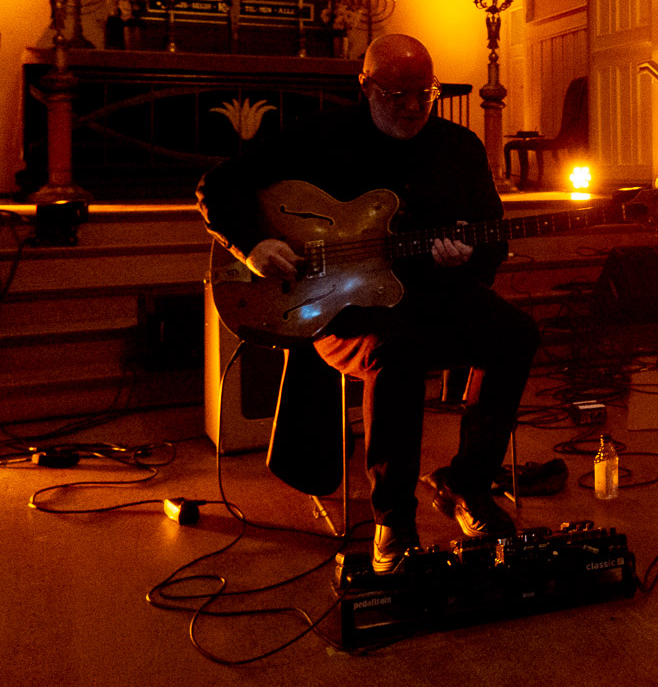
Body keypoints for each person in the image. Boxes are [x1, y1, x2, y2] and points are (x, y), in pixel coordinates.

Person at [198, 34, 538, 572]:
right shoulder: (321, 135)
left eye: (424, 94)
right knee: (394, 350)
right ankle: (393, 519)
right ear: (366, 86)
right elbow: (218, 185)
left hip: (437, 297)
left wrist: (466, 259)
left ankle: (466, 484)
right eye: (396, 95)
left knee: (517, 334)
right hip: (342, 312)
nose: (412, 106)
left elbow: (489, 238)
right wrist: (253, 244)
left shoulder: (460, 147)